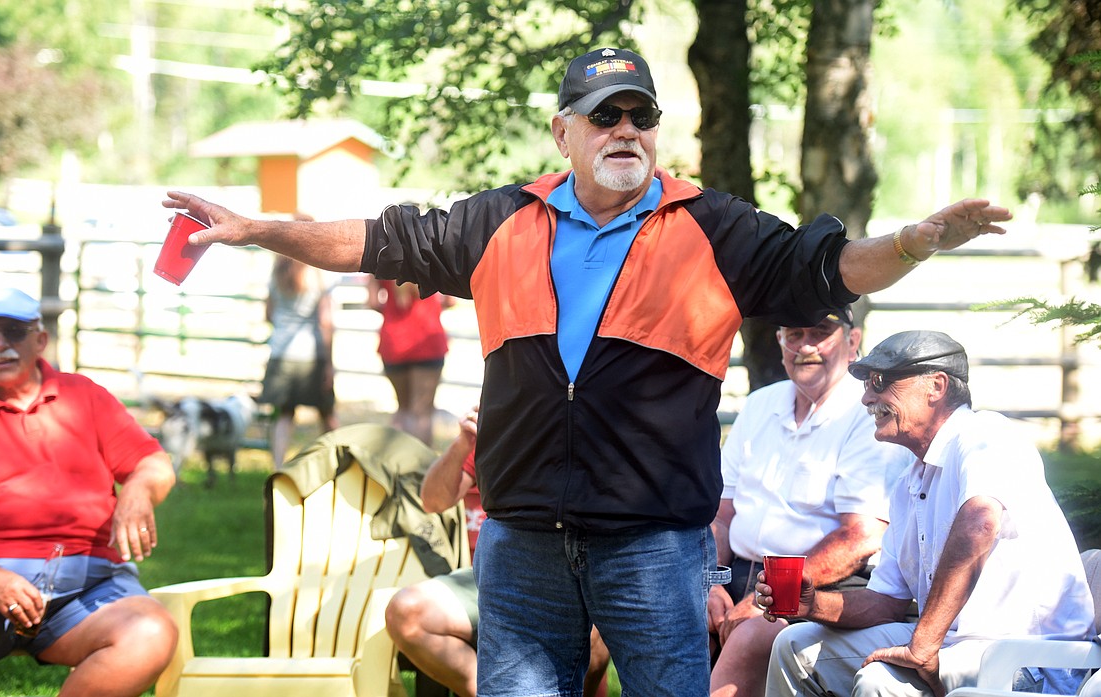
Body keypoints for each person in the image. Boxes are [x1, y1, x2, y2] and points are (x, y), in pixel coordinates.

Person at [162, 45, 1013, 696]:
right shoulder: (503, 220)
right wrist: (257, 227)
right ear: (563, 131)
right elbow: (376, 239)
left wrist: (912, 243)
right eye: (605, 116)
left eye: (640, 116)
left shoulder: (711, 226)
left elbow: (825, 269)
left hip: (653, 544)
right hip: (524, 539)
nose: (625, 132)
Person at [761, 330, 1094, 697]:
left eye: (880, 382)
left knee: (880, 683)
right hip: (951, 643)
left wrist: (923, 643)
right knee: (794, 645)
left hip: (1027, 657)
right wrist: (814, 604)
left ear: (936, 386)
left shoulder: (985, 435)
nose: (867, 397)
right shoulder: (909, 482)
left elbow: (980, 523)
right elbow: (885, 602)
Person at [0, 288, 178, 696]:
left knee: (149, 631)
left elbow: (153, 463)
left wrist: (137, 490)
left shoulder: (86, 397)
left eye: (13, 332)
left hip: (89, 583)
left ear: (40, 340)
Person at [708, 307, 915, 697]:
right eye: (795, 333)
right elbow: (721, 515)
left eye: (821, 332)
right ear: (780, 342)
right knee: (670, 618)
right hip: (737, 572)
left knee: (754, 634)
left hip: (827, 587)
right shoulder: (759, 404)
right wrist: (707, 583)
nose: (807, 346)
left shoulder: (867, 413)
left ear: (853, 342)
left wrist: (763, 598)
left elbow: (860, 537)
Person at [385, 406, 612, 697]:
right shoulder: (502, 422)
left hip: (566, 572)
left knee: (592, 623)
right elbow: (432, 500)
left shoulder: (576, 422)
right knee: (407, 612)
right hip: (489, 577)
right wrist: (465, 443)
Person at [261, 221, 339, 468]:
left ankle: (277, 467)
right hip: (311, 355)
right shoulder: (317, 274)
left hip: (281, 352)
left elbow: (269, 314)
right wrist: (329, 363)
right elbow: (326, 322)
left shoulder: (276, 273)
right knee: (327, 414)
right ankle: (335, 465)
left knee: (284, 414)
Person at [365, 277, 453, 446]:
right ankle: (421, 468)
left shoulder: (380, 255)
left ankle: (398, 465)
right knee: (422, 413)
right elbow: (450, 300)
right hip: (427, 337)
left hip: (394, 341)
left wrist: (392, 307)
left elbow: (372, 301)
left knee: (402, 410)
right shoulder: (431, 254)